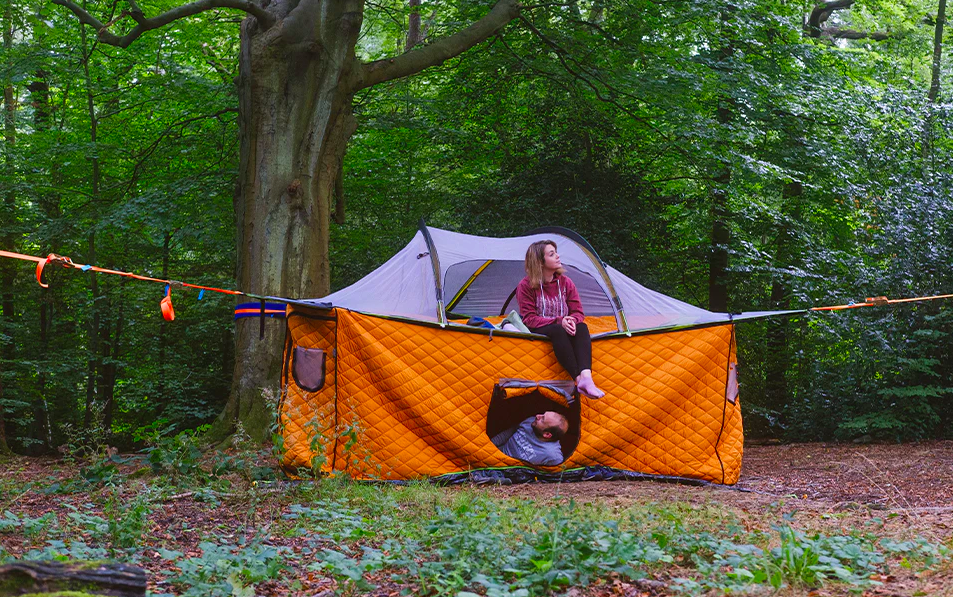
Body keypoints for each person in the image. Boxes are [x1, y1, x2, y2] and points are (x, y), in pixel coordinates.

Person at [517, 240, 605, 398]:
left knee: (582, 327)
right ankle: (578, 379)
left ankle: (586, 378)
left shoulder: (565, 282)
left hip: (563, 324)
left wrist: (571, 320)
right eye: (552, 254)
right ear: (540, 262)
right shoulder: (526, 286)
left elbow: (578, 312)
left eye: (556, 252)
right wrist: (560, 321)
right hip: (541, 326)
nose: (558, 256)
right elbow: (529, 319)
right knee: (558, 330)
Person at [491, 411, 568, 466]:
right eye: (543, 414)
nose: (538, 416)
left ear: (547, 434)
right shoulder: (531, 422)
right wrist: (489, 445)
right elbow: (507, 434)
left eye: (542, 419)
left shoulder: (552, 455)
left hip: (508, 469)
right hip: (498, 452)